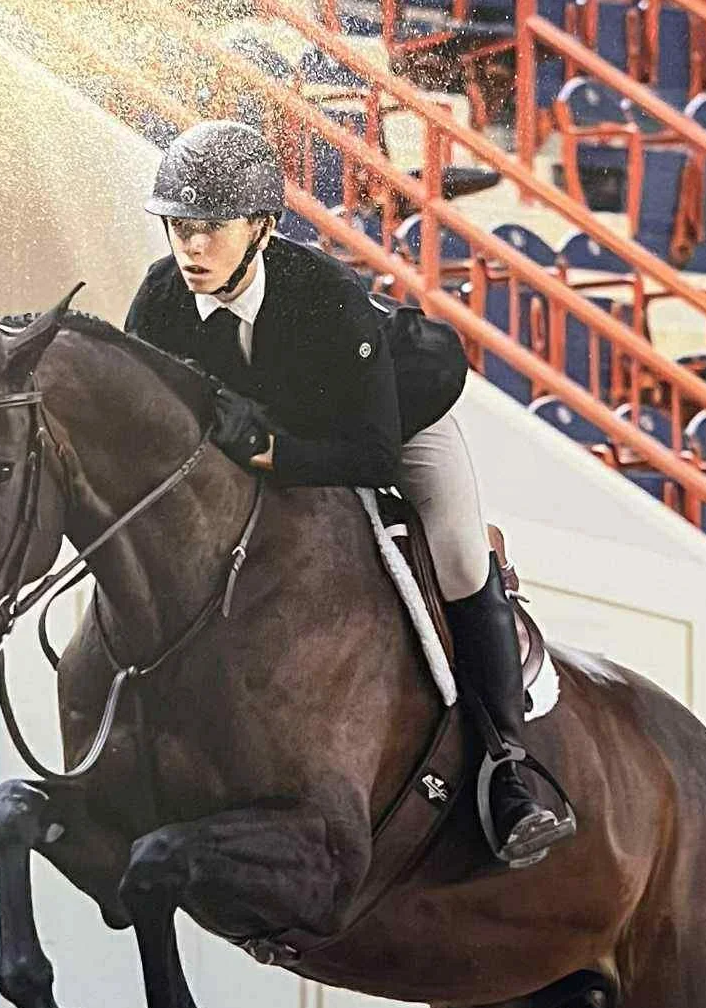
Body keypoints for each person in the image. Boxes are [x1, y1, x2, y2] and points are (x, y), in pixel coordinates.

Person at [124, 119, 574, 868]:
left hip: (396, 424)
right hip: (283, 434)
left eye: (210, 229)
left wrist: (269, 451)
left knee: (460, 559)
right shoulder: (161, 301)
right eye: (178, 227)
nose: (191, 247)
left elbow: (368, 452)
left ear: (262, 226)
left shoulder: (323, 298)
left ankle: (508, 767)